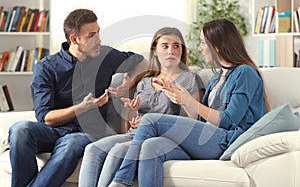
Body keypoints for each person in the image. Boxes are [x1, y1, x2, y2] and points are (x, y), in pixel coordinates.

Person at [108, 18, 271, 187]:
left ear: (217, 46)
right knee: (151, 147)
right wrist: (182, 100)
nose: (200, 48)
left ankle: (121, 181)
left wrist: (190, 102)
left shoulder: (245, 73)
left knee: (150, 120)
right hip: (206, 138)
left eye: (202, 43)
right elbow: (201, 121)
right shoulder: (216, 78)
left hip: (226, 140)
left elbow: (228, 120)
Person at [8, 8, 147, 187]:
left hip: (87, 133)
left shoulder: (106, 56)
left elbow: (142, 61)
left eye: (98, 33)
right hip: (53, 131)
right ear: (74, 39)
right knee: (20, 129)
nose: (99, 40)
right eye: (91, 35)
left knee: (71, 143)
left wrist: (130, 84)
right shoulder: (46, 67)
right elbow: (45, 117)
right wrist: (82, 107)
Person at [78, 27, 205, 187]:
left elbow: (196, 121)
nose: (171, 51)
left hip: (164, 139)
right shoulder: (145, 82)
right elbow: (131, 126)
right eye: (165, 46)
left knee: (117, 151)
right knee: (92, 149)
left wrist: (182, 99)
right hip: (135, 135)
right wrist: (131, 113)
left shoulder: (190, 79)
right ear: (155, 50)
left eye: (176, 46)